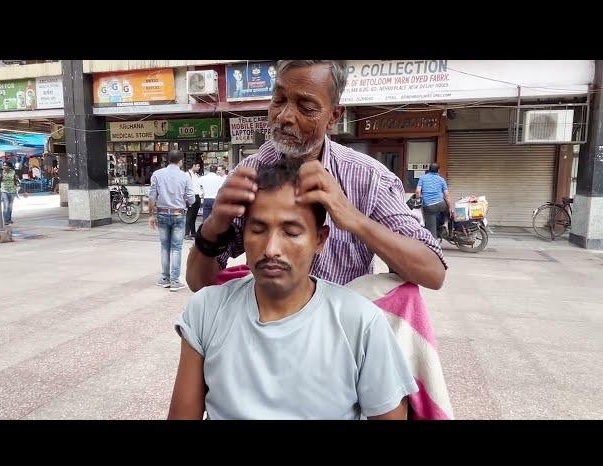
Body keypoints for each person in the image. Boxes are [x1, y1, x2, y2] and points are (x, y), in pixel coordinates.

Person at [167, 162, 418, 420]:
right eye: (258, 230)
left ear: (319, 239)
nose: (271, 249)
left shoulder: (361, 323)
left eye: (291, 232)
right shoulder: (207, 310)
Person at [186, 60, 447, 292]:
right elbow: (200, 284)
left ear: (333, 116)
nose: (285, 117)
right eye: (278, 100)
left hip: (342, 339)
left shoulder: (369, 179)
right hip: (268, 335)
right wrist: (214, 226)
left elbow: (433, 272)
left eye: (306, 107)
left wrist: (354, 219)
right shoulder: (249, 175)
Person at [148, 150, 194, 292]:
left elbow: (152, 196)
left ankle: (164, 278)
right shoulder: (185, 177)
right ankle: (174, 281)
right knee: (176, 248)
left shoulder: (157, 174)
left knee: (164, 247)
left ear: (168, 160)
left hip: (161, 214)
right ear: (180, 161)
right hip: (178, 215)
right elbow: (191, 198)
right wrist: (187, 202)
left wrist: (151, 215)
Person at [415, 163, 453, 239]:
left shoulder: (423, 178)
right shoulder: (441, 179)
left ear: (429, 169)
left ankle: (434, 243)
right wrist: (450, 207)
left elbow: (418, 192)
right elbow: (447, 195)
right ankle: (445, 223)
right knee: (448, 210)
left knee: (432, 230)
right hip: (441, 204)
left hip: (429, 207)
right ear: (438, 170)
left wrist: (418, 200)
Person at [185, 163, 202, 239]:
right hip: (190, 196)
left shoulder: (197, 175)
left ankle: (193, 232)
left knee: (194, 216)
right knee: (189, 215)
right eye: (198, 166)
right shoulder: (187, 175)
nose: (199, 168)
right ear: (193, 165)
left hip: (197, 196)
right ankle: (186, 233)